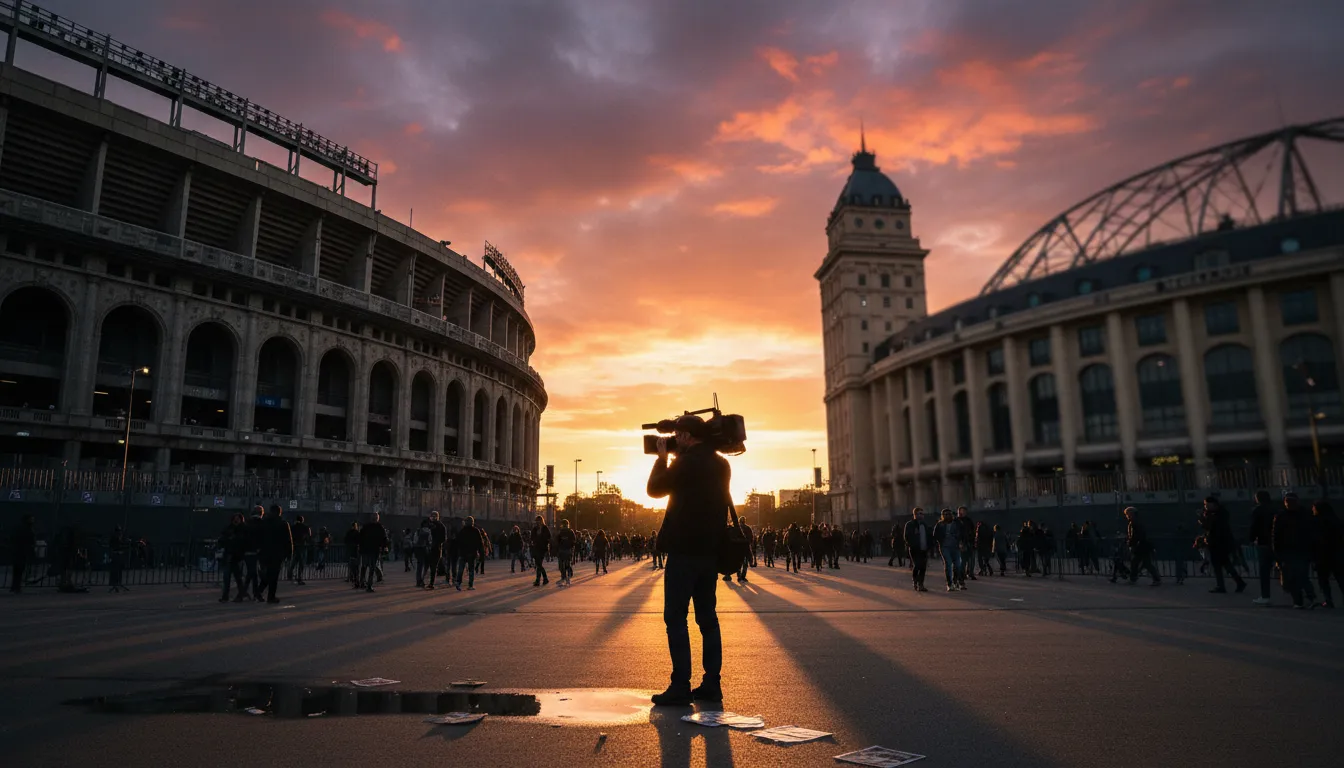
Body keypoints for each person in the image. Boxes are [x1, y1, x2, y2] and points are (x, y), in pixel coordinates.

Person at [646, 413, 732, 707]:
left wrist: (661, 458)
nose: (676, 441)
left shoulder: (687, 462)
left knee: (675, 618)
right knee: (708, 619)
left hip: (684, 552)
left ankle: (680, 685)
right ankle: (711, 684)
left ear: (686, 436)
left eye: (679, 436)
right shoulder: (722, 464)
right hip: (710, 553)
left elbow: (655, 489)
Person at [1273, 493, 1316, 609]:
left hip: (1301, 550)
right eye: (1287, 501)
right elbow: (1276, 536)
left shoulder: (1304, 515)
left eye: (1291, 501)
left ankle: (1306, 598)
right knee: (1293, 577)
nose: (1289, 504)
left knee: (1300, 576)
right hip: (1289, 551)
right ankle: (1301, 599)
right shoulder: (1282, 516)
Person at [1201, 497, 1246, 594]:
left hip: (1219, 543)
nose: (1206, 507)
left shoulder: (1218, 515)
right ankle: (1236, 582)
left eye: (1207, 504)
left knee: (1219, 565)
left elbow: (1210, 527)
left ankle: (1223, 585)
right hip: (1219, 542)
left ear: (1213, 504)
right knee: (1225, 564)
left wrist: (1203, 520)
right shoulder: (1219, 513)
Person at [1311, 500, 1343, 608]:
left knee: (1323, 580)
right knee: (1340, 578)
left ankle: (1328, 600)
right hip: (1337, 554)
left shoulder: (1316, 522)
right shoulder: (1337, 521)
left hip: (1322, 555)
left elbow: (1314, 540)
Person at [259, 504, 294, 604]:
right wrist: (289, 554)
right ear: (280, 512)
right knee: (273, 576)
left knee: (266, 574)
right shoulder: (283, 523)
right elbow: (288, 540)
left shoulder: (264, 522)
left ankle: (259, 591)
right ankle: (270, 596)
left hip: (265, 552)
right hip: (277, 553)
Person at [1247, 490, 1275, 605]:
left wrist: (1251, 539)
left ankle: (1265, 595)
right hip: (1276, 542)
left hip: (1263, 542)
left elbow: (1254, 526)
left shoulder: (1257, 511)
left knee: (1264, 570)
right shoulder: (1275, 509)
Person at [1124, 507, 1160, 586]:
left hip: (1140, 546)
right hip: (1143, 545)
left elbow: (1135, 536)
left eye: (1127, 514)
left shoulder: (1134, 522)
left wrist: (1131, 543)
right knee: (1145, 563)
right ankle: (1156, 579)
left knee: (1136, 563)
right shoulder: (1138, 521)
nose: (1127, 516)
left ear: (1131, 514)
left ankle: (1134, 579)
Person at [933, 509, 964, 592]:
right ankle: (949, 584)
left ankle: (955, 581)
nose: (947, 516)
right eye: (945, 514)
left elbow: (962, 533)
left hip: (955, 547)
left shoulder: (957, 523)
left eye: (948, 514)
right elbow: (935, 536)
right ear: (942, 516)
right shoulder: (939, 525)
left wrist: (961, 543)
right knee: (948, 564)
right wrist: (938, 544)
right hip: (944, 547)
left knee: (958, 565)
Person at [218, 513, 247, 603]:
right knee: (228, 578)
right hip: (230, 555)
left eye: (237, 519)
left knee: (237, 577)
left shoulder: (241, 530)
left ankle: (240, 595)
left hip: (236, 556)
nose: (236, 521)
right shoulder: (230, 529)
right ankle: (225, 596)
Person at [358, 512, 388, 593]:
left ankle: (361, 582)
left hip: (365, 550)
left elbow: (360, 538)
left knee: (364, 566)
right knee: (372, 567)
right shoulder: (380, 527)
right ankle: (369, 585)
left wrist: (360, 547)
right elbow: (384, 539)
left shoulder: (365, 527)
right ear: (377, 519)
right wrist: (384, 547)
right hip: (374, 550)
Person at [903, 507, 931, 592]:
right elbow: (906, 536)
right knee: (917, 565)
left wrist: (929, 547)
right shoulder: (910, 524)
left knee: (923, 567)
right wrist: (911, 544)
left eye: (922, 514)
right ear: (915, 515)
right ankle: (915, 581)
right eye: (919, 513)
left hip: (924, 549)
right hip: (914, 549)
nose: (921, 515)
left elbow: (929, 536)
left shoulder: (925, 525)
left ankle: (921, 584)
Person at [454, 515, 484, 590]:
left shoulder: (462, 530)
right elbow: (480, 542)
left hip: (463, 553)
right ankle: (470, 585)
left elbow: (457, 541)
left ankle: (458, 582)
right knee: (471, 570)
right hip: (472, 553)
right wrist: (480, 552)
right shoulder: (476, 531)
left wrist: (458, 551)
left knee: (461, 569)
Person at [9, 514, 36, 594]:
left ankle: (15, 586)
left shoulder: (19, 528)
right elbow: (30, 539)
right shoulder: (27, 529)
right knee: (20, 570)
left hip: (18, 551)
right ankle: (16, 587)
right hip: (22, 551)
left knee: (17, 570)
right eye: (31, 519)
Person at [244, 507, 265, 599]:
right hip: (258, 550)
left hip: (247, 550)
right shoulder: (262, 524)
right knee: (255, 572)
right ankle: (256, 592)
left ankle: (244, 592)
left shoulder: (246, 523)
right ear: (262, 513)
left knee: (251, 572)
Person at [425, 511, 447, 589]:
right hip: (436, 548)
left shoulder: (430, 526)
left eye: (434, 516)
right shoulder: (441, 526)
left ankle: (429, 582)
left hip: (433, 548)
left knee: (431, 566)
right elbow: (444, 539)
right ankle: (430, 582)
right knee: (433, 566)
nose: (433, 518)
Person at [955, 507, 976, 582]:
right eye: (961, 511)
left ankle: (970, 573)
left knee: (971, 559)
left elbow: (973, 531)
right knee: (962, 560)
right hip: (961, 543)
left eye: (964, 511)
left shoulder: (968, 520)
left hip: (969, 542)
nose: (963, 513)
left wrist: (973, 540)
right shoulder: (956, 521)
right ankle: (962, 574)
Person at [531, 515, 551, 587]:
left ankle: (539, 580)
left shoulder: (545, 528)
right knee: (538, 564)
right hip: (536, 548)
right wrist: (535, 539)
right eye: (537, 521)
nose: (538, 522)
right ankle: (543, 579)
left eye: (539, 521)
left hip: (542, 548)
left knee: (539, 564)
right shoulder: (535, 529)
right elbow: (532, 537)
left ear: (542, 521)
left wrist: (542, 538)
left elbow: (548, 537)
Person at [289, 515, 309, 586]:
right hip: (302, 546)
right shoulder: (306, 527)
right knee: (301, 563)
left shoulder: (292, 527)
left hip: (294, 546)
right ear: (302, 520)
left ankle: (290, 574)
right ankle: (299, 578)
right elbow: (308, 536)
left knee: (294, 561)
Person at [556, 519, 576, 585]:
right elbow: (573, 541)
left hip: (565, 550)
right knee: (565, 564)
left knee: (564, 565)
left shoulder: (568, 532)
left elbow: (557, 541)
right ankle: (566, 577)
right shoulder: (564, 532)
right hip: (565, 550)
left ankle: (566, 577)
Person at [412, 519, 431, 588]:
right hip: (425, 549)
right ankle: (422, 579)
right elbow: (430, 540)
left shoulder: (418, 531)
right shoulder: (429, 531)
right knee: (426, 565)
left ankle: (418, 580)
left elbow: (415, 541)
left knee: (419, 565)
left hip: (418, 549)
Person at [344, 522, 361, 586]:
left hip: (351, 550)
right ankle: (354, 577)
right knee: (354, 565)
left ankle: (352, 577)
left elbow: (345, 540)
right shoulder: (356, 533)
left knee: (352, 565)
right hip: (354, 551)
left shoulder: (350, 532)